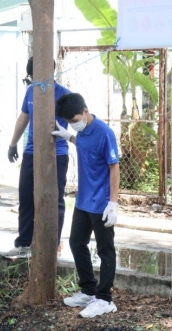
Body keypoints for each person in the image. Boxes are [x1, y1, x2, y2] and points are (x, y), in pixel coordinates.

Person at [52, 93, 120, 318]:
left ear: (86, 111)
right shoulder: (81, 132)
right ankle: (89, 290)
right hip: (83, 201)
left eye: (75, 120)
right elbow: (81, 142)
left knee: (105, 249)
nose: (74, 125)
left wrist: (113, 202)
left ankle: (105, 299)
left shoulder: (104, 133)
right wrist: (67, 136)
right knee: (76, 242)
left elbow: (114, 167)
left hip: (101, 203)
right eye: (69, 123)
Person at [5, 57, 72, 258]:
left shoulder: (63, 95)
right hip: (31, 152)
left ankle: (54, 244)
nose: (34, 80)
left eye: (35, 76)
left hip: (56, 153)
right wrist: (13, 143)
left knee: (54, 199)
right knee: (26, 197)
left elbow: (77, 121)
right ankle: (24, 244)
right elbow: (23, 118)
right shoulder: (31, 91)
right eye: (32, 77)